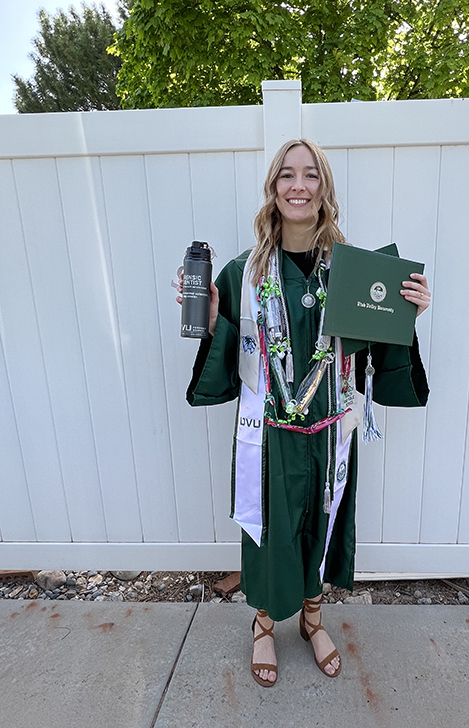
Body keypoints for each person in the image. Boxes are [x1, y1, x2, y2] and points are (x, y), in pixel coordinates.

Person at [178, 139, 430, 687]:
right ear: (273, 189)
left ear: (324, 190)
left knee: (322, 525)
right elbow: (223, 352)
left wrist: (407, 311)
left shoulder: (354, 270)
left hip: (330, 433)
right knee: (271, 535)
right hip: (268, 436)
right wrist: (217, 316)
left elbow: (377, 348)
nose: (298, 185)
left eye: (310, 175)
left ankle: (313, 621)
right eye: (286, 175)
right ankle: (264, 626)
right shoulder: (242, 272)